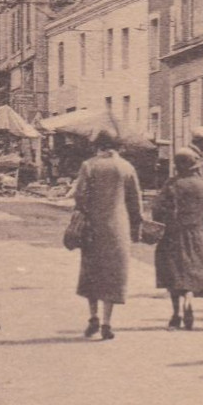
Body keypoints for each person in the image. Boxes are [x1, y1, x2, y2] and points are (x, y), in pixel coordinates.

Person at [73, 130, 143, 341]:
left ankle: (93, 317)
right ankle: (107, 323)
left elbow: (80, 197)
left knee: (92, 273)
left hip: (94, 227)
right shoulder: (126, 167)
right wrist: (136, 227)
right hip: (118, 229)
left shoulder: (89, 166)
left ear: (99, 146)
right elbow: (136, 202)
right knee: (112, 275)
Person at [154, 148, 203, 330]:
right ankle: (189, 299)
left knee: (173, 272)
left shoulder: (171, 184)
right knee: (190, 269)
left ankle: (176, 313)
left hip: (173, 233)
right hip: (195, 234)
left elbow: (158, 209)